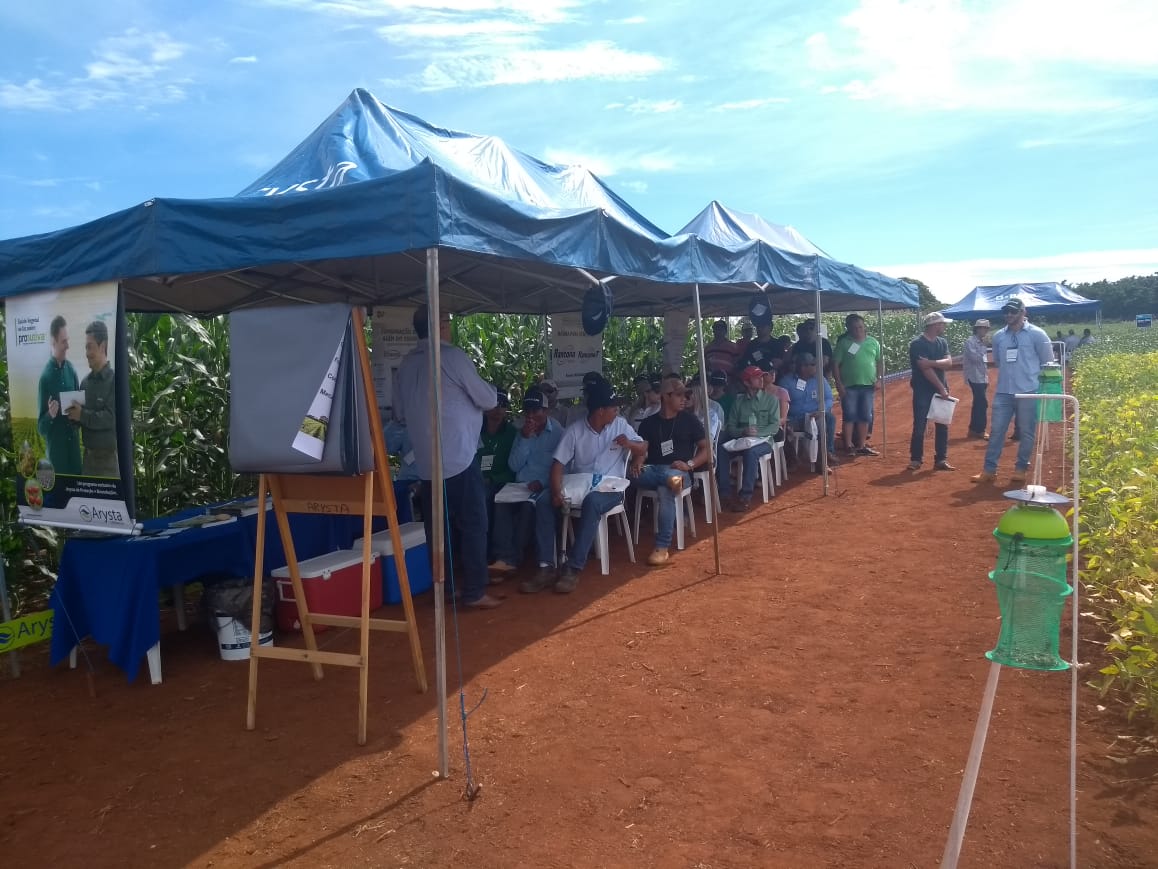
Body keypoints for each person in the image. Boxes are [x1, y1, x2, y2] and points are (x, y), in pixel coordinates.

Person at [394, 305, 501, 609]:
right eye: (447, 321)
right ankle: (475, 591)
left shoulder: (406, 364)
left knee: (439, 532)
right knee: (473, 524)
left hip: (427, 465)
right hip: (459, 457)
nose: (450, 326)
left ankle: (448, 588)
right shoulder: (451, 357)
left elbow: (400, 413)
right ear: (439, 326)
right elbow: (488, 398)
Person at [521, 381, 647, 594]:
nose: (616, 411)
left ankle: (573, 568)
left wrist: (630, 445)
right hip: (579, 485)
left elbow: (644, 446)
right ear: (600, 410)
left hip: (611, 489)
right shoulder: (575, 431)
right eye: (612, 407)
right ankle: (545, 567)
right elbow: (558, 465)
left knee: (592, 502)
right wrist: (554, 492)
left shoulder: (620, 424)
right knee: (542, 500)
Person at [972, 298, 1054, 485]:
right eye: (1006, 311)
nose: (1009, 314)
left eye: (1013, 311)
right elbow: (1000, 361)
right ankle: (989, 470)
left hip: (1029, 391)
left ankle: (1020, 468)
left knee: (1026, 432)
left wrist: (1044, 389)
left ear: (1023, 312)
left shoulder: (1037, 334)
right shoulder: (999, 336)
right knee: (996, 431)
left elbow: (1047, 362)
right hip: (1004, 391)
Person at [633, 376, 710, 566]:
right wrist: (638, 461)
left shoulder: (690, 420)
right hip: (654, 470)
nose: (684, 399)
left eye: (685, 395)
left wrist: (690, 464)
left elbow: (707, 449)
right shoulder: (649, 423)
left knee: (667, 487)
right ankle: (662, 547)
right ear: (666, 397)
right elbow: (643, 450)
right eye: (679, 395)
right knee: (632, 475)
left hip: (681, 472)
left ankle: (662, 547)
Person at [493, 387, 564, 580]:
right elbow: (514, 465)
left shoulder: (557, 432)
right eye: (528, 411)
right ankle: (503, 558)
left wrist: (542, 482)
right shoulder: (521, 431)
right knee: (501, 506)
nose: (531, 416)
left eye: (536, 411)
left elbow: (564, 466)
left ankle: (512, 560)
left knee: (527, 508)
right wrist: (525, 438)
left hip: (544, 487)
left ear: (546, 411)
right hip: (519, 486)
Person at [718, 365, 779, 512]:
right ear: (746, 382)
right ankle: (724, 493)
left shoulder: (771, 400)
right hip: (743, 440)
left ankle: (745, 496)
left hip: (764, 441)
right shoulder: (738, 402)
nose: (761, 379)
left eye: (761, 376)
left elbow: (774, 427)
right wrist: (743, 431)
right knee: (721, 450)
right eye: (756, 377)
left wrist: (756, 434)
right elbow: (731, 427)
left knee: (751, 452)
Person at [65, 320, 118, 478]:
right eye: (85, 347)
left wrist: (82, 415)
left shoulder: (115, 381)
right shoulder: (84, 383)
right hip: (88, 460)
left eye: (90, 347)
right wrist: (71, 415)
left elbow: (111, 418)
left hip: (109, 461)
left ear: (103, 346)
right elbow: (81, 419)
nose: (87, 353)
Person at [907, 312, 955, 472]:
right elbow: (924, 369)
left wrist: (931, 362)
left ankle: (941, 459)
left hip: (938, 389)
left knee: (942, 424)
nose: (944, 326)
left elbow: (949, 362)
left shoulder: (942, 342)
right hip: (923, 390)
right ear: (934, 325)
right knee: (920, 425)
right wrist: (941, 388)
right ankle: (916, 459)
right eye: (942, 324)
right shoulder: (917, 344)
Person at [37, 314, 82, 475]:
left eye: (67, 340)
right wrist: (50, 414)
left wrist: (80, 414)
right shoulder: (45, 378)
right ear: (53, 342)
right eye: (64, 342)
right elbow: (41, 429)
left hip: (75, 457)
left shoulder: (72, 370)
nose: (67, 346)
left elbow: (79, 414)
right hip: (58, 461)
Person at [831, 314, 882, 456]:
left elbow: (879, 361)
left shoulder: (873, 342)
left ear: (864, 326)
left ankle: (861, 445)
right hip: (849, 386)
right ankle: (848, 445)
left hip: (868, 386)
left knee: (865, 416)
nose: (858, 330)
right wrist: (839, 384)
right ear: (848, 329)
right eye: (854, 328)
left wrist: (878, 379)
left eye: (860, 326)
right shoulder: (844, 343)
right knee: (850, 415)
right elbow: (835, 364)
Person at [478, 391, 517, 568]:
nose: (499, 410)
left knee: (494, 500)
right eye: (495, 404)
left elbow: (514, 468)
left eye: (503, 405)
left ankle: (501, 556)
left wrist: (493, 479)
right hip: (476, 480)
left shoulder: (512, 433)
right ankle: (477, 555)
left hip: (503, 481)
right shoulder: (475, 429)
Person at [784, 353, 838, 467]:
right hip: (795, 419)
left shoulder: (820, 379)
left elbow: (828, 398)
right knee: (783, 429)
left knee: (827, 419)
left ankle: (826, 454)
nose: (816, 367)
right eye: (812, 364)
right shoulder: (787, 381)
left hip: (815, 415)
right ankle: (793, 460)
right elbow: (781, 403)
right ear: (803, 367)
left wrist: (820, 410)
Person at [962, 319, 991, 440]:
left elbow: (983, 362)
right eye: (982, 328)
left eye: (986, 328)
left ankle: (973, 429)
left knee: (978, 403)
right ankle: (980, 430)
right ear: (977, 329)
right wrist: (984, 347)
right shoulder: (971, 342)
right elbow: (975, 358)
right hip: (974, 376)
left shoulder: (980, 342)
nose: (984, 330)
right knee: (982, 403)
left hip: (981, 376)